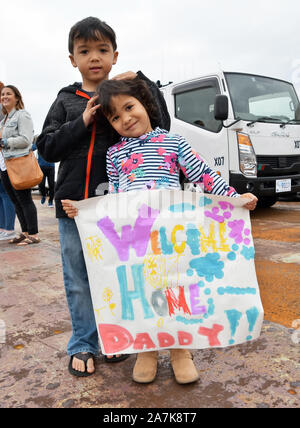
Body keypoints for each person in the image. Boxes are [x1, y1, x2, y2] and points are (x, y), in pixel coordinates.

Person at [62, 78, 258, 384]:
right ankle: (147, 350)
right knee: (145, 292)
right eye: (115, 117)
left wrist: (235, 198)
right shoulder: (113, 154)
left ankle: (181, 350)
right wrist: (84, 208)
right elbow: (112, 197)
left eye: (129, 107)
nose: (125, 119)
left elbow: (203, 176)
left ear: (145, 104)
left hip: (171, 237)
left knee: (175, 287)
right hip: (137, 240)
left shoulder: (173, 142)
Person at [36, 17, 170, 378]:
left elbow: (161, 124)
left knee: (118, 275)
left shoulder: (126, 95)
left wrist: (140, 81)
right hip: (74, 209)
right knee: (78, 277)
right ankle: (83, 342)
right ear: (72, 59)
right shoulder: (65, 99)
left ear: (114, 55)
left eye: (102, 50)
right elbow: (46, 147)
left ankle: (115, 337)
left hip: (120, 207)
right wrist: (81, 121)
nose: (94, 57)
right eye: (84, 51)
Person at [0, 85, 40, 246]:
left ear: (17, 97)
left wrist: (5, 141)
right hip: (5, 165)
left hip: (18, 163)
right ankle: (24, 232)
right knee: (15, 200)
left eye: (8, 94)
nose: (4, 97)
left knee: (25, 200)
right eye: (2, 94)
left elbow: (26, 139)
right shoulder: (4, 120)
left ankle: (34, 234)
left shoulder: (22, 115)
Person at [0, 81, 16, 241]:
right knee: (2, 194)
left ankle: (9, 228)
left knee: (5, 194)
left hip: (7, 158)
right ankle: (4, 227)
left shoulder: (4, 110)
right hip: (3, 158)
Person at [32, 135, 55, 208]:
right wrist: (36, 142)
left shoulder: (51, 144)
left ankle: (50, 201)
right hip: (41, 167)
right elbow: (32, 148)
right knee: (41, 184)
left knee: (52, 185)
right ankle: (43, 195)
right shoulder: (39, 143)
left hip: (51, 167)